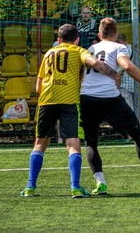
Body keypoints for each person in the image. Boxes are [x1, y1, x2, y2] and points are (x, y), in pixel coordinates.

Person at [20, 24, 118, 198]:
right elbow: (95, 63)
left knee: (40, 144)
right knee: (73, 145)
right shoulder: (79, 51)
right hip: (69, 102)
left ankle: (30, 187)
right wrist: (114, 74)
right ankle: (75, 187)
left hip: (47, 101)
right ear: (77, 39)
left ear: (59, 39)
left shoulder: (49, 53)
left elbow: (38, 87)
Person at [80, 18, 140, 194]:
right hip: (109, 98)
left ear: (99, 35)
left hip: (87, 98)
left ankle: (101, 183)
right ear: (115, 35)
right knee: (138, 134)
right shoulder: (118, 47)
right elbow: (127, 66)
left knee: (91, 142)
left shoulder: (90, 49)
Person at [115, 33, 135, 110]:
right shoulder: (134, 50)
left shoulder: (123, 52)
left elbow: (119, 72)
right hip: (135, 85)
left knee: (128, 110)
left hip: (124, 86)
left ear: (121, 43)